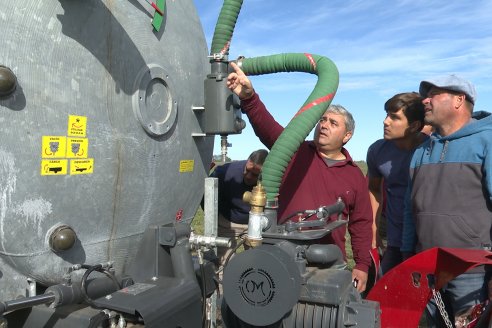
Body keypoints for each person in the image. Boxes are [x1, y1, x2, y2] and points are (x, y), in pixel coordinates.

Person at [226, 62, 373, 293]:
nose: (323, 125)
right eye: (322, 120)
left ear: (347, 135)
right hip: (283, 256)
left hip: (328, 264)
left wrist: (362, 265)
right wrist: (249, 97)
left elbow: (361, 223)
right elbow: (268, 129)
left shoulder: (354, 175)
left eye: (332, 123)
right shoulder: (296, 150)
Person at [401, 74, 492, 326]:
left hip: (473, 273)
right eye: (425, 96)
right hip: (426, 269)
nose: (425, 101)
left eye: (434, 95)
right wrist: (408, 255)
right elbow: (411, 209)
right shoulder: (421, 150)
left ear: (459, 100)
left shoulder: (487, 140)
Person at [366, 92, 427, 275]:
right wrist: (374, 230)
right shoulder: (378, 150)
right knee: (381, 294)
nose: (386, 121)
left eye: (394, 117)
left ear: (414, 125)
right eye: (386, 115)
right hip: (394, 239)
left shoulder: (430, 150)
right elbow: (374, 189)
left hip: (423, 243)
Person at [211, 149, 268, 261]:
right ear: (247, 161)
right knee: (224, 261)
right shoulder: (226, 173)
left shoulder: (271, 180)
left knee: (257, 261)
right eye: (247, 170)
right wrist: (216, 218)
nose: (248, 176)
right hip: (227, 223)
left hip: (256, 224)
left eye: (255, 175)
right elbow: (208, 195)